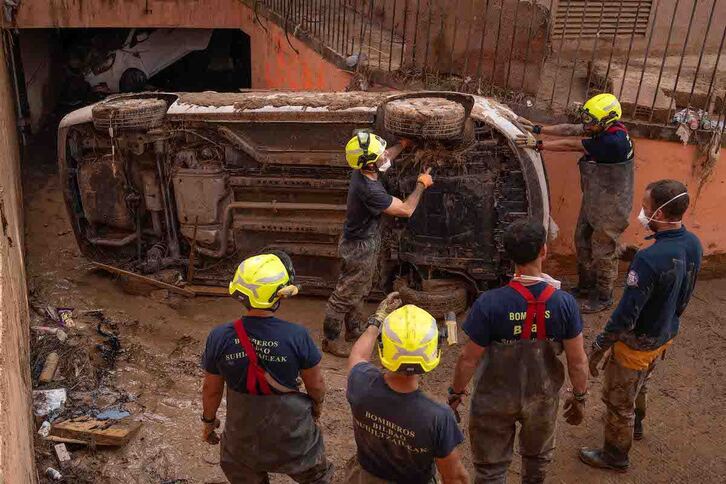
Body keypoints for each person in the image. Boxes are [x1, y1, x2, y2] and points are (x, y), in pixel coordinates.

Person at [449, 218, 589, 483]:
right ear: (544, 250)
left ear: (507, 255)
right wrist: (580, 396)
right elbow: (577, 360)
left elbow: (468, 359)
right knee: (537, 463)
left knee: (490, 470)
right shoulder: (564, 304)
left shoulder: (489, 303)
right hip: (542, 399)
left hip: (493, 399)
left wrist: (455, 393)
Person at [580, 180, 702, 472]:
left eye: (646, 208)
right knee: (642, 382)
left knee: (617, 399)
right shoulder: (693, 243)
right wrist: (639, 257)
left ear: (659, 214)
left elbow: (626, 313)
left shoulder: (649, 260)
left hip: (637, 343)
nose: (642, 213)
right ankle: (637, 425)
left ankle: (615, 455)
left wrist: (600, 344)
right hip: (665, 332)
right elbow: (678, 278)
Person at [200, 252, 333, 483]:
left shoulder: (219, 336)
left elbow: (211, 389)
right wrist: (317, 408)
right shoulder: (297, 336)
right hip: (292, 438)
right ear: (279, 296)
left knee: (242, 472)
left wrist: (208, 424)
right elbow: (316, 385)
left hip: (242, 442)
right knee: (316, 475)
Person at [516, 93, 635, 313]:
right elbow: (572, 129)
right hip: (595, 199)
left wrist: (539, 144)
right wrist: (537, 128)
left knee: (604, 251)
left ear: (606, 120)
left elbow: (573, 143)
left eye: (591, 121)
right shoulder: (604, 127)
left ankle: (603, 296)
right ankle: (585, 286)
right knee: (582, 240)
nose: (586, 125)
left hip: (612, 206)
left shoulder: (613, 141)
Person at [323, 131, 433, 357]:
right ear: (370, 164)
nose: (385, 155)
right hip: (359, 246)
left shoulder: (363, 169)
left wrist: (401, 145)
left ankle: (354, 330)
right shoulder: (370, 190)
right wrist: (422, 184)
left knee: (360, 287)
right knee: (344, 294)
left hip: (365, 239)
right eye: (379, 154)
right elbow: (406, 209)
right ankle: (330, 341)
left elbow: (385, 157)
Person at [345, 295, 469, 484]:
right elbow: (454, 477)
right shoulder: (438, 416)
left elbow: (358, 355)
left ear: (384, 346)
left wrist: (377, 319)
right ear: (433, 351)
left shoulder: (361, 382)